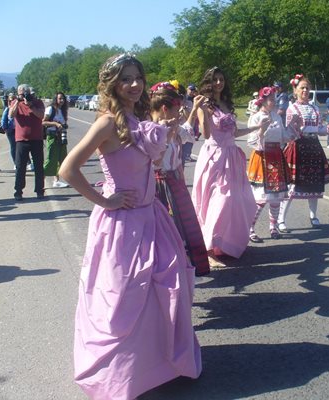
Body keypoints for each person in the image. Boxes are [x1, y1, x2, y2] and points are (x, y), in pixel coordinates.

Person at [59, 53, 201, 399]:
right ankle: (123, 375)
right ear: (112, 84)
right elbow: (67, 170)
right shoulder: (106, 123)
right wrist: (105, 200)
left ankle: (161, 363)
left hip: (152, 216)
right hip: (121, 225)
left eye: (137, 77)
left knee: (169, 284)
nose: (134, 84)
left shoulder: (139, 118)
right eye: (125, 79)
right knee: (124, 298)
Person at [192, 66, 257, 266]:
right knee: (219, 200)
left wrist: (257, 127)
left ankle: (227, 243)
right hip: (214, 157)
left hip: (231, 157)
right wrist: (201, 112)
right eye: (215, 80)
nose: (219, 83)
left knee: (238, 201)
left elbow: (234, 133)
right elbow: (206, 135)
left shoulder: (227, 104)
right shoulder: (206, 105)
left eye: (221, 79)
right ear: (208, 83)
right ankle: (209, 248)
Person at [150, 81, 210, 277]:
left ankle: (187, 268)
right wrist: (168, 135)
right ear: (165, 109)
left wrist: (193, 113)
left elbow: (188, 134)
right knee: (169, 230)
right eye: (177, 110)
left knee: (184, 227)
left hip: (176, 183)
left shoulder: (173, 125)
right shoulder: (150, 130)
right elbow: (154, 162)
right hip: (161, 186)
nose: (179, 114)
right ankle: (170, 272)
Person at [277, 74, 329, 232]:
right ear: (295, 90)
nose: (305, 90)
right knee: (292, 185)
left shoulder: (314, 107)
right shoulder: (292, 108)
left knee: (315, 184)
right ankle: (281, 219)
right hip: (298, 147)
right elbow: (289, 132)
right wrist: (295, 126)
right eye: (302, 88)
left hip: (313, 146)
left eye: (307, 88)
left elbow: (319, 130)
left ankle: (313, 216)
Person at [247, 86, 292, 242]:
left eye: (275, 99)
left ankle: (273, 227)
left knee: (276, 197)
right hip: (262, 156)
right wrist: (261, 131)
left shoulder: (277, 117)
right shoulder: (256, 117)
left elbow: (284, 137)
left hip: (276, 156)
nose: (274, 102)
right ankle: (250, 228)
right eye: (271, 99)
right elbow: (251, 141)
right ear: (263, 101)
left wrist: (295, 127)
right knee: (261, 198)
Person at [9, 84, 45, 200]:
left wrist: (30, 105)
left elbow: (41, 115)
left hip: (36, 139)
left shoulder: (37, 102)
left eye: (24, 93)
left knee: (39, 166)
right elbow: (11, 115)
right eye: (20, 93)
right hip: (21, 140)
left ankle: (40, 190)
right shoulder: (15, 102)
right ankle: (18, 191)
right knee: (20, 167)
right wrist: (17, 102)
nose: (22, 95)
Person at [43, 92, 70, 188]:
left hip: (61, 137)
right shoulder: (51, 109)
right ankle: (41, 181)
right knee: (51, 159)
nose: (62, 100)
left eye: (63, 98)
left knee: (61, 159)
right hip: (53, 137)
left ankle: (56, 181)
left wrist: (64, 125)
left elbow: (63, 123)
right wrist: (55, 124)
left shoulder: (62, 110)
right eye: (60, 98)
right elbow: (43, 122)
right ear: (56, 99)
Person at [1, 93, 17, 168]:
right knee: (13, 146)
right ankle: (15, 163)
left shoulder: (17, 108)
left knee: (19, 146)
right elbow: (3, 120)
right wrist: (6, 129)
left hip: (17, 129)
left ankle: (26, 162)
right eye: (10, 100)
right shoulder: (7, 109)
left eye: (14, 99)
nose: (12, 101)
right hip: (10, 130)